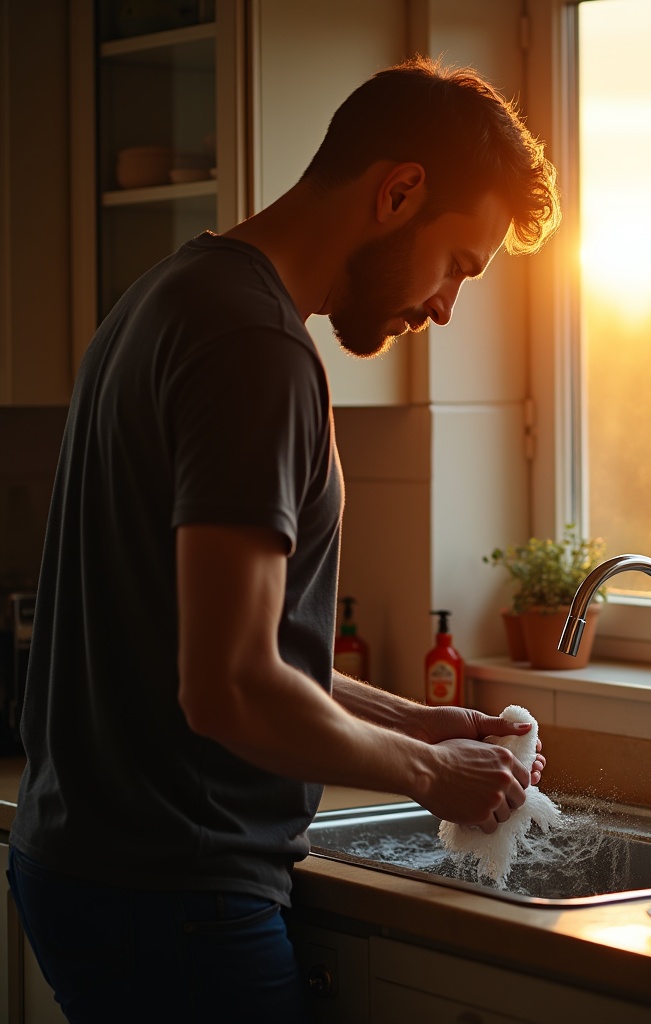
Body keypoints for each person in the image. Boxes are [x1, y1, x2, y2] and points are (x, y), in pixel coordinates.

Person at [7, 56, 560, 1023]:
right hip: (172, 891)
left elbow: (227, 649)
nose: (444, 307)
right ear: (398, 192)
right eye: (459, 267)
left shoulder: (172, 295)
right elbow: (229, 690)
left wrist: (421, 723)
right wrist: (440, 776)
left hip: (103, 872)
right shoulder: (255, 350)